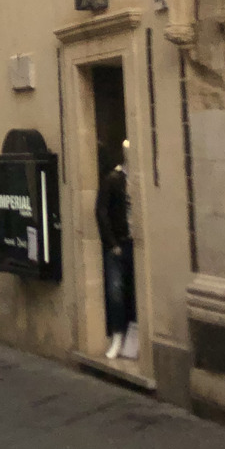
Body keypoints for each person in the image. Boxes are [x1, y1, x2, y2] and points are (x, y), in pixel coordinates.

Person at [96, 139, 139, 360]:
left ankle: (132, 337)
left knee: (133, 292)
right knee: (116, 292)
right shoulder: (113, 180)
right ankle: (117, 336)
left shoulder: (139, 179)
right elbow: (101, 212)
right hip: (119, 244)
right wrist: (112, 243)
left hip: (134, 243)